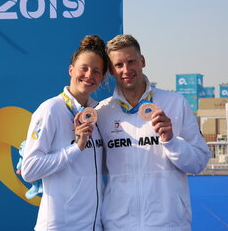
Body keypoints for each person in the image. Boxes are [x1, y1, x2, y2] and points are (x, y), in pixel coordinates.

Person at [96, 34, 211, 230]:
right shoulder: (103, 112)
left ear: (142, 61)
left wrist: (171, 141)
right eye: (119, 65)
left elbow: (198, 162)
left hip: (168, 223)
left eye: (131, 61)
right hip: (118, 224)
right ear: (112, 71)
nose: (126, 70)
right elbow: (96, 167)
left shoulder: (175, 102)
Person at [21, 35, 108, 231]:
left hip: (93, 225)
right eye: (83, 68)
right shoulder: (51, 109)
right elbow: (29, 170)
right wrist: (76, 148)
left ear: (102, 78)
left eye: (96, 71)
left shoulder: (99, 112)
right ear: (71, 70)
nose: (89, 75)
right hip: (60, 225)